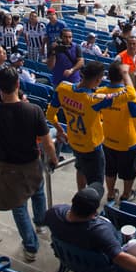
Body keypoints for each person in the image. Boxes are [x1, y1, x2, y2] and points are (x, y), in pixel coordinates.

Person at [0, 66, 58, 263]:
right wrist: (53, 159)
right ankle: (40, 223)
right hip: (32, 164)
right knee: (38, 193)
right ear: (18, 84)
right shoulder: (34, 110)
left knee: (19, 209)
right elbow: (47, 143)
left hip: (8, 168)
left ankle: (30, 246)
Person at [45, 188, 136, 272]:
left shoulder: (53, 212)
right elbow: (120, 258)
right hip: (102, 269)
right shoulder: (100, 232)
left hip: (68, 256)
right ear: (94, 214)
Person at [46, 61, 115, 193]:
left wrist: (60, 130)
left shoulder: (63, 88)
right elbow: (126, 95)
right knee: (96, 184)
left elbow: (50, 115)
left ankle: (80, 193)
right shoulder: (94, 100)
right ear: (97, 80)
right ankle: (89, 209)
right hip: (92, 146)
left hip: (74, 141)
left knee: (81, 168)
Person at [96, 62, 136, 203]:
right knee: (129, 172)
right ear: (123, 77)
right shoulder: (129, 96)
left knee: (110, 170)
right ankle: (126, 194)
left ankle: (111, 194)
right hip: (128, 142)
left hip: (107, 139)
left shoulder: (100, 92)